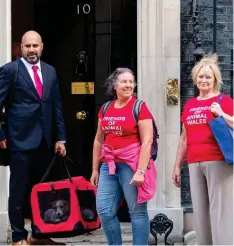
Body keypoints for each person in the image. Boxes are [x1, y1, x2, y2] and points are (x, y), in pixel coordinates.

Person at [0, 31, 67, 245]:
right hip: (19, 140)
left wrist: (61, 138)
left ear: (42, 47)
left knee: (44, 191)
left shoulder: (50, 72)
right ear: (21, 47)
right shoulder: (10, 70)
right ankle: (18, 237)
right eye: (27, 46)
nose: (31, 50)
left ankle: (40, 234)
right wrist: (1, 134)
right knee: (19, 191)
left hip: (45, 141)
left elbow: (56, 106)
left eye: (35, 46)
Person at [90, 68, 157, 245]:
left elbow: (147, 141)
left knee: (137, 211)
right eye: (124, 82)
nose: (128, 85)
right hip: (109, 165)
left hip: (132, 165)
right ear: (114, 85)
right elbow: (98, 140)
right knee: (104, 210)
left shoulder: (139, 107)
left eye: (131, 82)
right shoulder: (105, 108)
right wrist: (95, 169)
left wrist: (141, 171)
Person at [172, 53, 233, 245]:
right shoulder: (190, 104)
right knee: (200, 210)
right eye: (201, 76)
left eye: (208, 76)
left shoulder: (224, 101)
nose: (204, 80)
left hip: (218, 160)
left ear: (215, 79)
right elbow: (184, 138)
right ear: (195, 79)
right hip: (194, 161)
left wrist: (221, 114)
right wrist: (176, 166)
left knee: (221, 211)